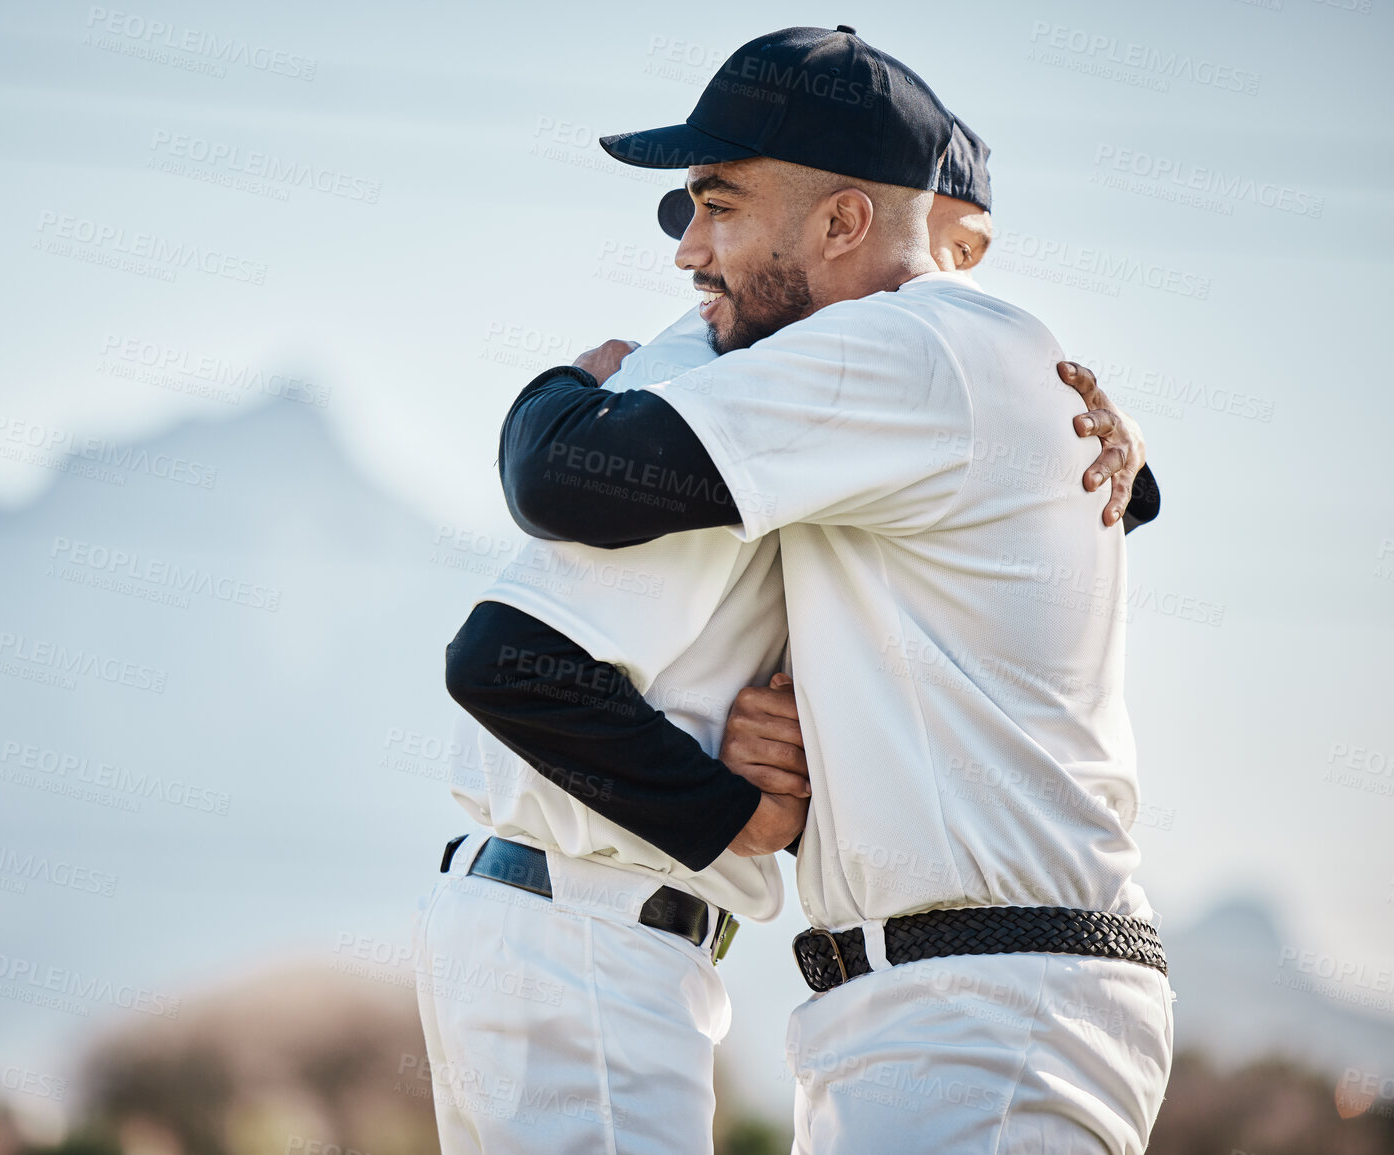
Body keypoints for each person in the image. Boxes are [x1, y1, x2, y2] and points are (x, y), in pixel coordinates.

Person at [419, 37, 1162, 1151]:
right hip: (915, 1006)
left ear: (841, 224)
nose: (687, 252)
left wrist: (568, 382)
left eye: (719, 204)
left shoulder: (907, 341)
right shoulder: (900, 386)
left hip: (989, 1009)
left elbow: (564, 472)